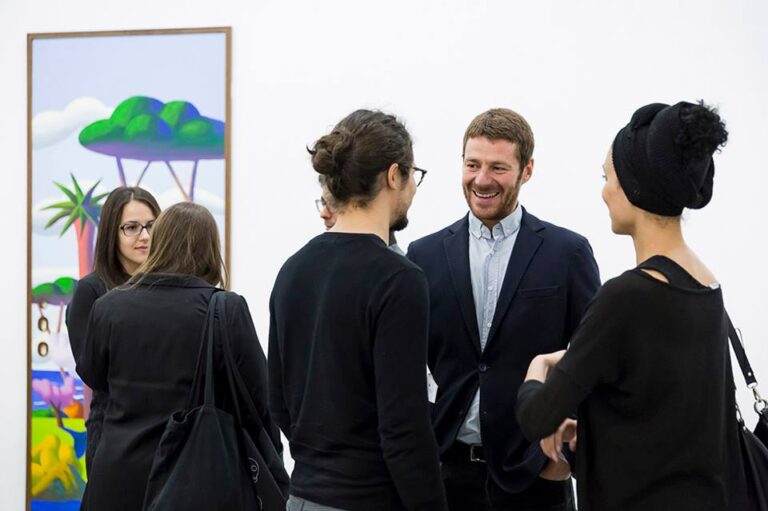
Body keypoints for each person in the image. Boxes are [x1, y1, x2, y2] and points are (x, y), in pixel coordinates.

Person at [515, 101, 749, 511]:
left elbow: (536, 418)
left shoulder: (625, 298)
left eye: (608, 177)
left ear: (634, 187)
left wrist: (540, 365)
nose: (604, 191)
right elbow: (661, 422)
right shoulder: (707, 286)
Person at [406, 108, 600, 510]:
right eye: (472, 164)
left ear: (526, 170)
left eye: (498, 167)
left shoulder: (568, 253)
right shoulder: (423, 255)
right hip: (447, 478)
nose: (481, 180)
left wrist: (561, 462)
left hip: (536, 480)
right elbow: (408, 366)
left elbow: (591, 361)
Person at [269, 109, 446, 511]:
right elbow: (404, 430)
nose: (413, 190)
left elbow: (277, 400)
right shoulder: (398, 279)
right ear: (393, 175)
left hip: (303, 498)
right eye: (413, 176)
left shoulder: (292, 270)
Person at [76, 202, 280, 511]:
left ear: (158, 241)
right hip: (195, 478)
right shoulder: (226, 309)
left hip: (117, 476)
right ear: (211, 248)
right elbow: (260, 401)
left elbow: (93, 377)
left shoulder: (108, 307)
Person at [67, 186, 161, 476]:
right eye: (131, 228)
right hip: (113, 434)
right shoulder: (91, 291)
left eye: (151, 226)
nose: (144, 236)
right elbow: (93, 372)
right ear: (112, 233)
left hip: (167, 436)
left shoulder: (171, 287)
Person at [316, 179, 410, 254]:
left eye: (334, 204)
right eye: (324, 203)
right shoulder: (313, 260)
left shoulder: (398, 272)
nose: (323, 214)